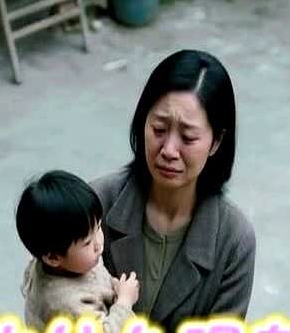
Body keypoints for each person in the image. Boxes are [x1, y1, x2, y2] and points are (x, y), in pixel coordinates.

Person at [91, 50, 255, 333]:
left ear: (216, 142)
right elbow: (51, 298)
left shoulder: (233, 240)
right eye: (159, 129)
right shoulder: (95, 206)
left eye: (188, 137)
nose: (168, 150)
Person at [16, 170, 141, 332]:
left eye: (98, 227)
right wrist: (124, 302)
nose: (98, 243)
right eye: (87, 242)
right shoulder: (67, 305)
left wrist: (113, 287)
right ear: (53, 257)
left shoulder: (70, 262)